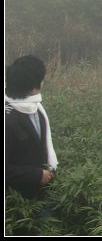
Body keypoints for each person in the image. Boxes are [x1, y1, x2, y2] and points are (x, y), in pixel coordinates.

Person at [5, 55, 58, 199]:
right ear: (33, 84)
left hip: (40, 192)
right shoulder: (8, 119)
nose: (43, 82)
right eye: (41, 79)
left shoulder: (35, 107)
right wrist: (37, 175)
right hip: (17, 200)